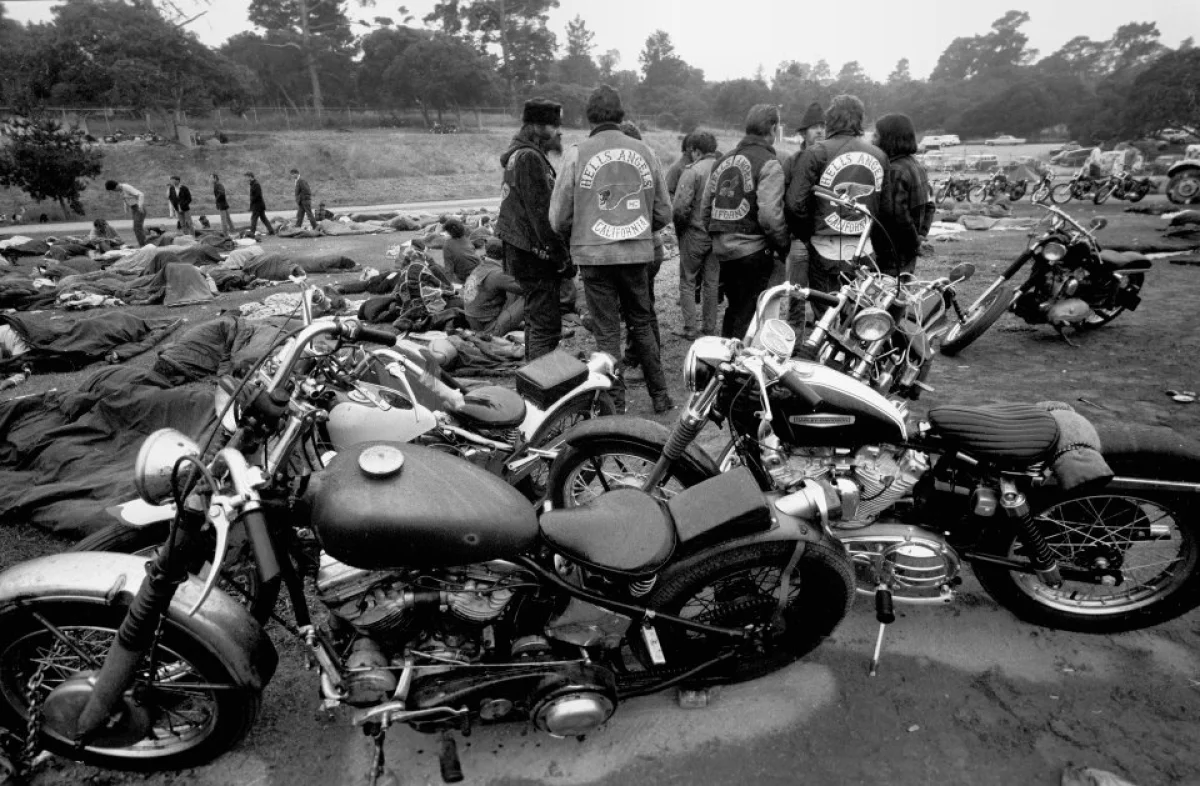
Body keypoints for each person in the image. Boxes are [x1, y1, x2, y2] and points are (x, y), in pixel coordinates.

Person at [550, 84, 674, 414]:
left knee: (607, 334)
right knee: (643, 323)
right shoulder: (646, 153)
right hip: (636, 255)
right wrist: (634, 226)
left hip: (594, 257)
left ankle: (616, 404)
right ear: (621, 114)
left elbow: (558, 217)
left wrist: (585, 227)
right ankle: (660, 395)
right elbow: (663, 212)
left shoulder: (576, 153)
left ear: (590, 116)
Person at [785, 94, 887, 306]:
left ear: (830, 120)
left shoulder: (815, 153)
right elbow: (885, 206)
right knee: (858, 315)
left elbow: (795, 204)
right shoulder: (879, 155)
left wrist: (807, 234)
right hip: (864, 245)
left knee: (827, 316)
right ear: (860, 120)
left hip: (824, 244)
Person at [700, 104, 790, 340]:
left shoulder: (723, 161)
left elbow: (705, 209)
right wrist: (783, 244)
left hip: (723, 251)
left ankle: (723, 362)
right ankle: (736, 370)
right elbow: (770, 216)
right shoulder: (770, 163)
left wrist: (718, 239)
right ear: (773, 128)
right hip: (754, 251)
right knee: (750, 316)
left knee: (734, 310)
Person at [495, 97, 570, 361]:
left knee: (537, 320)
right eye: (553, 125)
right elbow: (542, 216)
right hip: (533, 256)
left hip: (524, 252)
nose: (559, 131)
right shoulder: (529, 158)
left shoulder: (522, 155)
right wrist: (561, 257)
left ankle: (534, 378)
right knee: (545, 325)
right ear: (537, 128)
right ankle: (541, 384)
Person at [615, 120, 663, 378]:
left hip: (640, 248)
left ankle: (642, 361)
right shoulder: (649, 161)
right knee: (645, 306)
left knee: (639, 310)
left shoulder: (625, 168)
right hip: (653, 245)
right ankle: (645, 359)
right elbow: (661, 210)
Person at [871, 113, 935, 278]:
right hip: (908, 252)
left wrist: (913, 242)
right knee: (901, 294)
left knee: (883, 299)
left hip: (891, 251)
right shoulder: (916, 166)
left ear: (889, 139)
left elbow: (897, 215)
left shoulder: (894, 171)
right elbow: (930, 205)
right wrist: (920, 237)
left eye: (876, 135)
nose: (872, 140)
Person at [782, 101, 826, 330]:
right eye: (813, 127)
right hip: (800, 237)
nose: (819, 131)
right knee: (796, 295)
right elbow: (787, 201)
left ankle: (825, 347)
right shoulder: (792, 161)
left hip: (825, 237)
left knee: (825, 298)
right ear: (803, 132)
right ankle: (793, 345)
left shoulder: (830, 158)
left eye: (822, 126)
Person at [673, 131, 720, 338]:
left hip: (694, 232)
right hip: (717, 234)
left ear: (696, 151)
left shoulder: (692, 171)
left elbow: (680, 207)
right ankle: (709, 328)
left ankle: (690, 328)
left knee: (688, 281)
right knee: (712, 283)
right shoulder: (724, 168)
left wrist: (680, 230)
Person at [465, 237, 524, 338]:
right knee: (534, 294)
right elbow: (527, 288)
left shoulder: (481, 267)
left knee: (511, 290)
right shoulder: (497, 274)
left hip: (476, 322)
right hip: (490, 329)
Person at [104, 179, 147, 245]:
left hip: (139, 208)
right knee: (138, 228)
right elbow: (125, 199)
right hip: (134, 209)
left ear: (116, 186)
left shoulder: (126, 187)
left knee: (137, 228)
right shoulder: (121, 190)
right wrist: (126, 209)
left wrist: (140, 206)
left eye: (113, 190)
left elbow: (141, 194)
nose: (114, 191)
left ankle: (143, 245)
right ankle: (145, 243)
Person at [441, 217, 480, 284]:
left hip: (464, 276)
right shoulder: (466, 239)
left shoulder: (447, 245)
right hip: (478, 271)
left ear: (449, 232)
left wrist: (448, 285)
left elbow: (449, 268)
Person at [665, 132, 693, 198]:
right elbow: (667, 193)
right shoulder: (677, 168)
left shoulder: (695, 167)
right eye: (694, 148)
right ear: (687, 148)